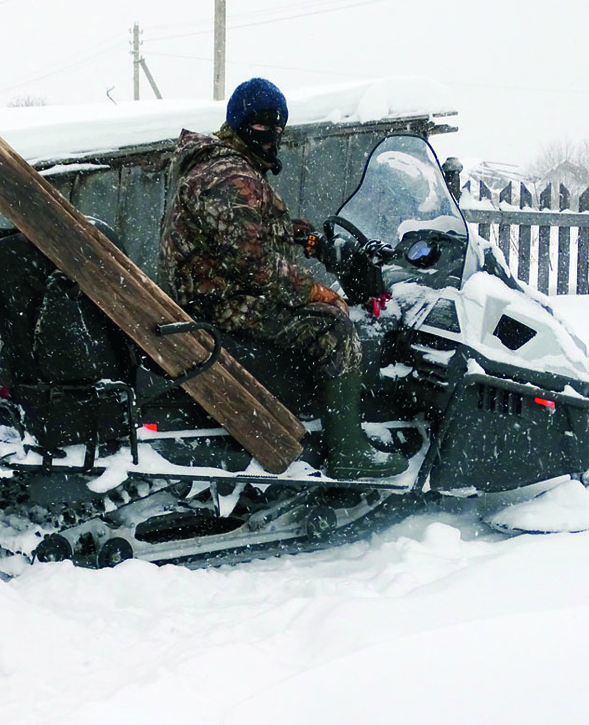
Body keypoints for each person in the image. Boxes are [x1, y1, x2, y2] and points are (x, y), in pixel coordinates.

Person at [159, 78, 407, 479]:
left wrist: (305, 238)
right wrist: (318, 291)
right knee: (334, 327)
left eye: (277, 128)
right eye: (259, 125)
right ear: (238, 122)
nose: (270, 136)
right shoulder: (231, 178)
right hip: (222, 300)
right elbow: (253, 266)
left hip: (216, 289)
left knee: (321, 307)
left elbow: (241, 231)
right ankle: (347, 450)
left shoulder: (221, 167)